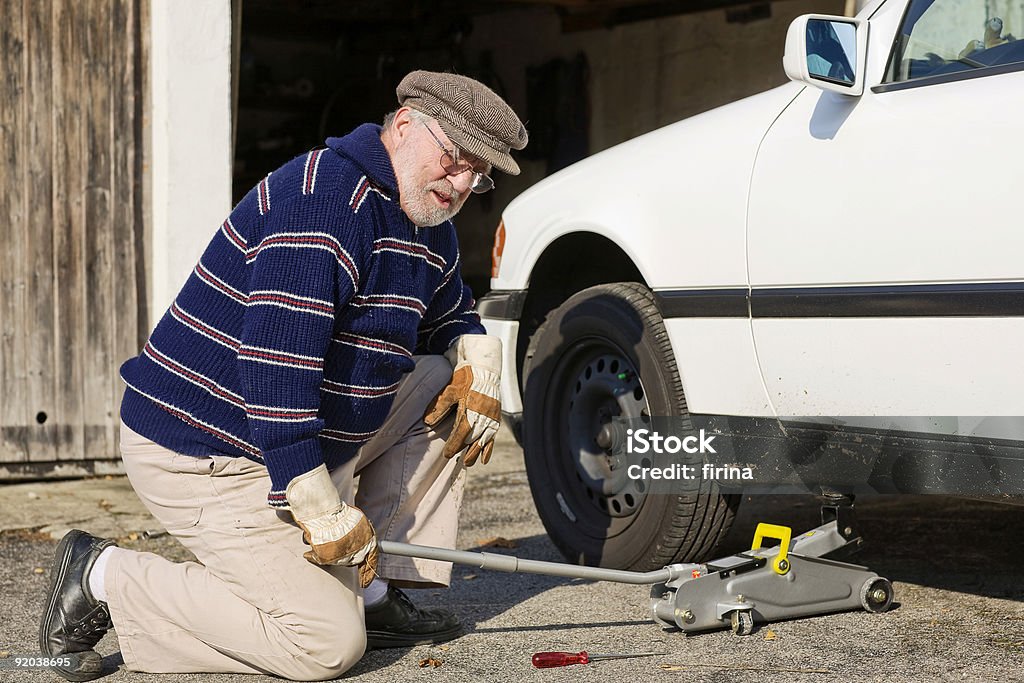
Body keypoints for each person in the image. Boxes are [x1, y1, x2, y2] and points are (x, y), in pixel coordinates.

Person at [39, 70, 528, 682]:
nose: (460, 185)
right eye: (454, 159)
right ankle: (103, 574)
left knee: (447, 386)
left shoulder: (426, 221)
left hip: (303, 430)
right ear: (404, 126)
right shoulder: (322, 201)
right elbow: (275, 374)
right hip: (212, 450)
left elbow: (447, 312)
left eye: (476, 175)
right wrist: (316, 503)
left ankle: (371, 593)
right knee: (322, 644)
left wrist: (476, 355)